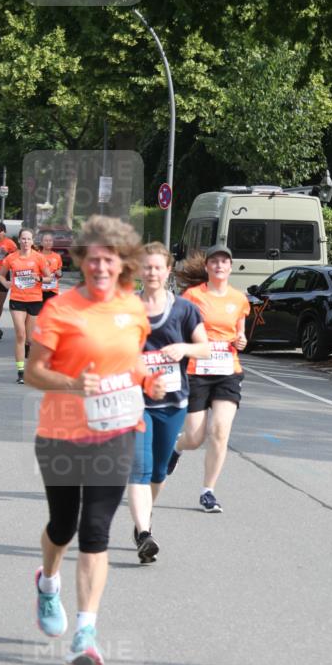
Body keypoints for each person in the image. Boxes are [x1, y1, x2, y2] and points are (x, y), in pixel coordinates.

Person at [25, 215, 165, 665]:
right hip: (61, 434)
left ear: (122, 262)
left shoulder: (132, 308)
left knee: (95, 531)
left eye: (110, 259)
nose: (101, 267)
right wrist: (72, 384)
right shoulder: (60, 309)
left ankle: (86, 632)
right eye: (93, 259)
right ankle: (48, 582)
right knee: (63, 525)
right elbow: (33, 373)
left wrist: (151, 381)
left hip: (116, 432)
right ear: (81, 260)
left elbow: (134, 362)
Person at [127, 241, 210, 563]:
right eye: (146, 267)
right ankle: (145, 533)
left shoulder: (184, 309)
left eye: (157, 267)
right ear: (139, 270)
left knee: (158, 471)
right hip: (135, 401)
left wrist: (183, 350)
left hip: (173, 402)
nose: (151, 273)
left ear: (167, 270)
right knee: (139, 468)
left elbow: (204, 347)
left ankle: (143, 520)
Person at [167, 245, 249, 512]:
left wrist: (241, 340)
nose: (219, 266)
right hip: (197, 371)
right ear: (207, 268)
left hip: (228, 371)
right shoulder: (192, 296)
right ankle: (177, 448)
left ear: (230, 267)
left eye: (224, 261)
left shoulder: (239, 299)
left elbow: (241, 336)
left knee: (220, 431)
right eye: (214, 261)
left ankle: (208, 491)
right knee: (194, 437)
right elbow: (180, 328)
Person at [0, 227, 46, 382]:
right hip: (17, 299)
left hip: (34, 300)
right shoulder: (11, 258)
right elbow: (1, 275)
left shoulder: (39, 258)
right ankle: (20, 372)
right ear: (19, 240)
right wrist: (5, 283)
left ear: (32, 241)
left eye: (28, 239)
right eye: (23, 239)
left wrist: (38, 278)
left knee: (30, 339)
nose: (26, 242)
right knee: (20, 334)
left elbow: (49, 277)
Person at [0, 220, 18, 340]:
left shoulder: (10, 243)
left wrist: (7, 255)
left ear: (4, 232)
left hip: (4, 273)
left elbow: (16, 259)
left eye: (0, 231)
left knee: (0, 304)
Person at [39, 232, 63, 305]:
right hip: (38, 291)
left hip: (53, 290)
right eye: (46, 240)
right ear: (41, 243)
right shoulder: (36, 255)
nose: (48, 242)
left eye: (50, 240)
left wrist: (59, 273)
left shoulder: (57, 256)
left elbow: (60, 272)